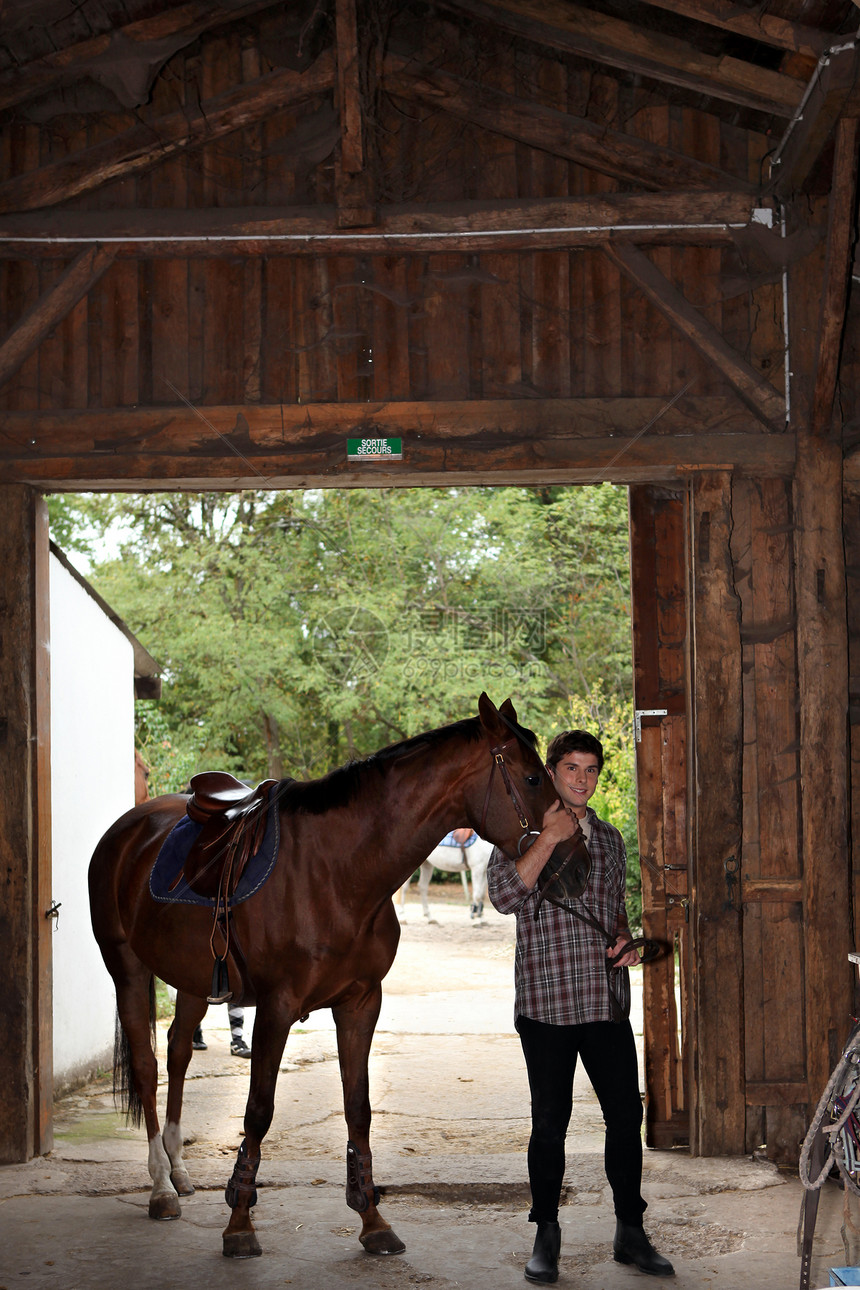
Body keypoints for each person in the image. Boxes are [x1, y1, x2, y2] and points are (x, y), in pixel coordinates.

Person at [487, 729, 674, 1284]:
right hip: (546, 1005)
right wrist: (548, 838)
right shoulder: (518, 836)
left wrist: (623, 940)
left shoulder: (612, 840)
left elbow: (612, 908)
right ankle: (546, 1233)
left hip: (604, 1004)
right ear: (550, 772)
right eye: (571, 768)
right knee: (550, 1124)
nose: (582, 779)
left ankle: (630, 1231)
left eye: (590, 770)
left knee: (625, 1117)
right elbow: (503, 899)